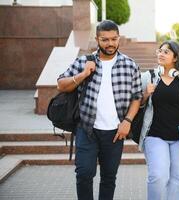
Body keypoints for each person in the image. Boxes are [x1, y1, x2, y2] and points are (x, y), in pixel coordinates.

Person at [57, 20, 142, 200]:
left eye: (114, 39)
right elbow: (61, 84)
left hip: (115, 132)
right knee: (84, 174)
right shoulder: (83, 62)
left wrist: (127, 122)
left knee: (109, 177)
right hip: (87, 129)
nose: (110, 44)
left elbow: (137, 96)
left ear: (119, 38)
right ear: (97, 39)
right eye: (105, 40)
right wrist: (83, 74)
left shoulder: (130, 64)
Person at [138, 40, 179, 200]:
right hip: (154, 135)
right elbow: (136, 104)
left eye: (166, 52)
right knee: (158, 176)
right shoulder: (148, 77)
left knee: (177, 179)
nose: (161, 54)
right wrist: (146, 94)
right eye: (159, 51)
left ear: (175, 57)